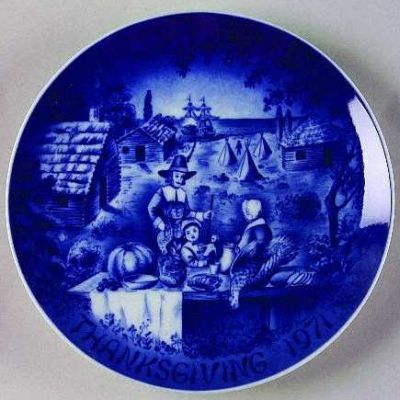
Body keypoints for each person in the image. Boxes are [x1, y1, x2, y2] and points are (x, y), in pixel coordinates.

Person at [148, 155, 212, 255]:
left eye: (182, 177)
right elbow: (151, 208)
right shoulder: (162, 191)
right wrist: (160, 224)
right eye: (177, 176)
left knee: (181, 251)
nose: (179, 179)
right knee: (167, 252)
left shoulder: (183, 193)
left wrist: (203, 215)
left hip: (180, 230)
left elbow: (187, 212)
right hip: (165, 228)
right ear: (171, 176)